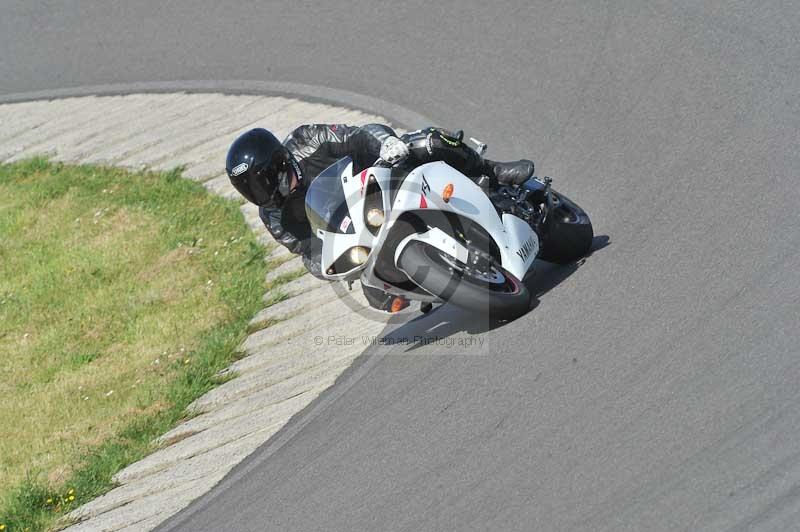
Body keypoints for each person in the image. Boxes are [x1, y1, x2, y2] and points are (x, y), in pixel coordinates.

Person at [225, 123, 534, 312]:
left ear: (281, 162)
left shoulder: (307, 140)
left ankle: (491, 170)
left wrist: (384, 144)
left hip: (383, 178)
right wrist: (331, 267)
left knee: (427, 142)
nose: (265, 195)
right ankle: (445, 280)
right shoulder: (272, 215)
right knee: (380, 298)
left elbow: (356, 136)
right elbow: (309, 253)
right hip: (364, 233)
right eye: (252, 190)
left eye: (266, 182)